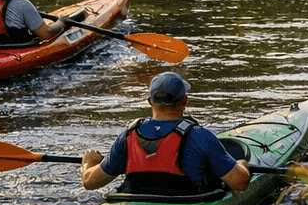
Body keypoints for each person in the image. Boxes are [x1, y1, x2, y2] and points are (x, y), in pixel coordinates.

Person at [80, 72, 251, 195]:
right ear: (184, 100)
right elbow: (240, 183)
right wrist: (242, 165)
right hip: (185, 204)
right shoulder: (201, 136)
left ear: (149, 102)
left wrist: (88, 164)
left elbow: (89, 182)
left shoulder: (127, 136)